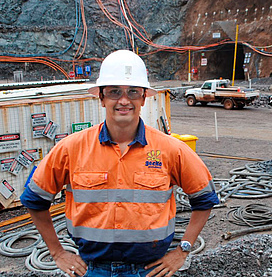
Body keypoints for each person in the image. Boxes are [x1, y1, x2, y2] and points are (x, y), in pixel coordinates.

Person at [21, 50, 219, 277]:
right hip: (93, 270)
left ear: (143, 98)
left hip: (151, 270)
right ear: (102, 97)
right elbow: (34, 199)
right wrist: (57, 253)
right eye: (115, 92)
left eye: (132, 92)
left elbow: (204, 199)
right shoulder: (71, 148)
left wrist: (183, 250)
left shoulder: (171, 149)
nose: (124, 100)